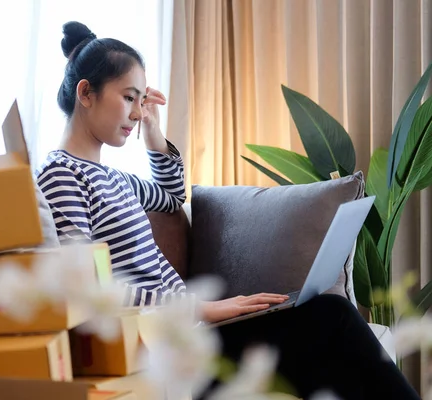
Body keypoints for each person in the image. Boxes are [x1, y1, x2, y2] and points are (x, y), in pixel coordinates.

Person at [34, 21, 421, 400]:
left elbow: (170, 199)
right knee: (331, 319)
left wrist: (153, 136)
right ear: (86, 93)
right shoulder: (62, 174)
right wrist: (204, 307)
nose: (137, 112)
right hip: (163, 343)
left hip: (189, 328)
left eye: (141, 99)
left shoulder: (113, 177)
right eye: (128, 97)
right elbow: (86, 291)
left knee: (327, 328)